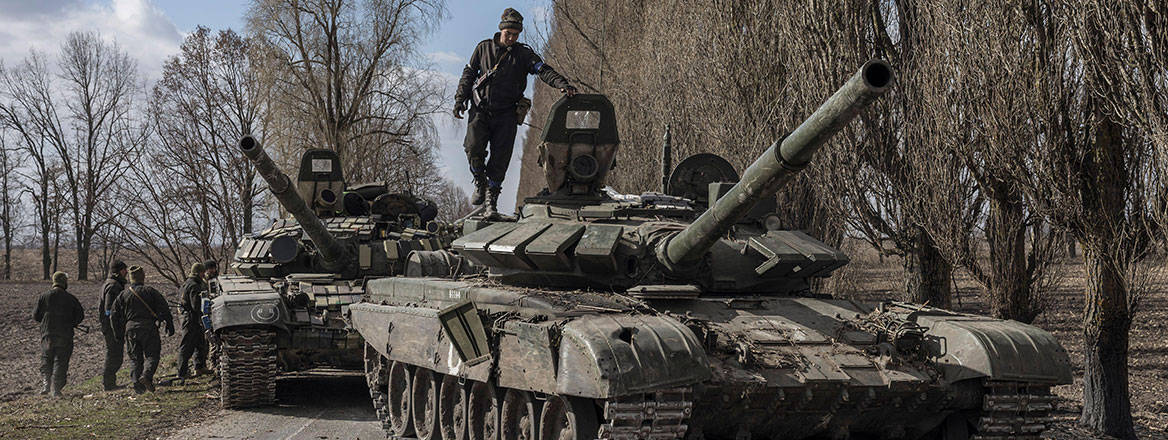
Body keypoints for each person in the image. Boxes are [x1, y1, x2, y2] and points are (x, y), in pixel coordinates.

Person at [454, 7, 576, 215]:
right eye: (507, 33)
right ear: (500, 30)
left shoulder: (523, 54)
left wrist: (561, 83)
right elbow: (468, 74)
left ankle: (491, 200)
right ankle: (480, 181)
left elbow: (542, 70)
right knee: (473, 148)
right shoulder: (483, 49)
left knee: (500, 158)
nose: (511, 38)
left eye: (515, 34)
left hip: (507, 114)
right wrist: (460, 100)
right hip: (480, 111)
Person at [110, 265, 174, 393]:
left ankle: (137, 385)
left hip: (130, 329)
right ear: (143, 277)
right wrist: (169, 324)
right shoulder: (150, 291)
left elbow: (113, 315)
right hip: (149, 328)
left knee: (135, 358)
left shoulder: (123, 294)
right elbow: (164, 308)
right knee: (152, 355)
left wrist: (117, 333)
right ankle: (146, 376)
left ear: (130, 278)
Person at [32, 272, 84, 397]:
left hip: (47, 334)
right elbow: (80, 316)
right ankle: (56, 389)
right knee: (60, 361)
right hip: (64, 335)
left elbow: (36, 316)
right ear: (64, 282)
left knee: (46, 358)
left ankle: (46, 384)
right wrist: (72, 322)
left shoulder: (44, 296)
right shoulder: (71, 298)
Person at [176, 262, 209, 381]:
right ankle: (182, 372)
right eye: (202, 272)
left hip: (188, 318)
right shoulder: (195, 285)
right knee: (187, 346)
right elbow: (196, 305)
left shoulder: (186, 283)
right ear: (199, 272)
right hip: (191, 319)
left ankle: (200, 367)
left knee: (200, 343)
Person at [99, 260, 128, 391]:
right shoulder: (113, 286)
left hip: (112, 326)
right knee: (114, 355)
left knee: (116, 355)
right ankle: (108, 383)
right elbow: (109, 310)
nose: (126, 272)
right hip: (112, 327)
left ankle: (110, 382)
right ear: (118, 271)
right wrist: (116, 327)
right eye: (124, 269)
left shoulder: (112, 284)